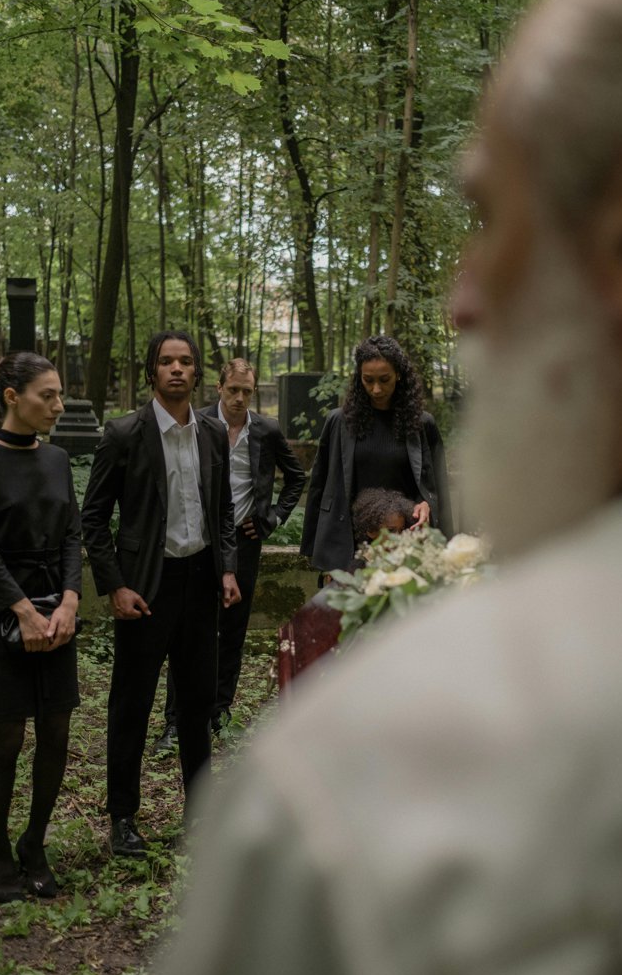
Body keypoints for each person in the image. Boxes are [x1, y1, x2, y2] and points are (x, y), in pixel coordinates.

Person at [141, 0, 622, 975]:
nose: (465, 298)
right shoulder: (341, 430)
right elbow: (332, 488)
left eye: (494, 215)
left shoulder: (369, 788)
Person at [81, 330, 240, 858]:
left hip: (199, 582)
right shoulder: (124, 433)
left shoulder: (214, 434)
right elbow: (93, 519)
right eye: (167, 362)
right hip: (146, 588)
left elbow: (221, 512)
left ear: (197, 373)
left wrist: (226, 569)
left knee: (197, 704)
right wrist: (116, 586)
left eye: (186, 362)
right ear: (152, 371)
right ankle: (122, 818)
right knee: (132, 704)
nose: (177, 369)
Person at [0, 353, 81, 903]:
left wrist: (71, 601)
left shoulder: (57, 459)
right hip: (0, 611)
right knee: (8, 735)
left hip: (57, 609)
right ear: (12, 397)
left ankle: (35, 843)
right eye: (48, 396)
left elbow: (73, 536)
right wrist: (22, 610)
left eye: (59, 395)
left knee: (56, 728)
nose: (57, 405)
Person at [152, 358, 305, 748]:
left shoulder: (266, 430)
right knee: (189, 633)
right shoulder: (199, 423)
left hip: (246, 542)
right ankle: (176, 721)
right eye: (233, 390)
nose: (239, 398)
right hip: (203, 542)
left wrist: (271, 518)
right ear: (218, 387)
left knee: (233, 631)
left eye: (247, 392)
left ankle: (219, 711)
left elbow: (297, 478)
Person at [300, 335, 453, 574]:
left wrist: (428, 507)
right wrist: (317, 551)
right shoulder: (339, 422)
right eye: (367, 380)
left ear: (399, 375)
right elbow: (320, 486)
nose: (376, 389)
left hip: (405, 540)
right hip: (350, 543)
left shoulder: (422, 425)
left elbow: (437, 487)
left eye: (384, 380)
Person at [351, 487, 415, 548]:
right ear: (371, 531)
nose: (398, 537)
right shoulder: (361, 559)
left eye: (401, 530)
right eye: (391, 530)